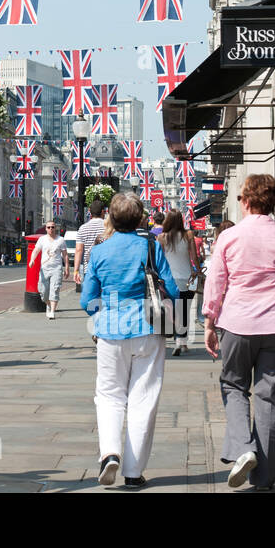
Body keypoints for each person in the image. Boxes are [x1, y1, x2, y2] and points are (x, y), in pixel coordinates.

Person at [203, 176, 275, 491]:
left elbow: (216, 283)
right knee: (268, 399)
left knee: (234, 385)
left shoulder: (229, 237)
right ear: (273, 202)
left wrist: (210, 322)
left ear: (246, 201)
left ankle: (243, 448)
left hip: (237, 323)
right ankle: (263, 478)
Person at [81, 193, 178, 489]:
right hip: (148, 327)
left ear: (111, 217)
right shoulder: (150, 246)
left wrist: (102, 313)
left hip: (110, 331)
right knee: (143, 399)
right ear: (139, 219)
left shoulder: (99, 251)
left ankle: (110, 453)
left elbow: (88, 300)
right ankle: (133, 472)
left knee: (109, 395)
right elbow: (171, 287)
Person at [158, 211, 201, 356]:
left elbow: (160, 259)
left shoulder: (162, 237)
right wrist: (199, 270)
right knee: (185, 310)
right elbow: (194, 257)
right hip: (187, 279)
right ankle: (182, 342)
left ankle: (176, 339)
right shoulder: (188, 235)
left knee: (173, 311)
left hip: (170, 279)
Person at [30, 220, 69, 319]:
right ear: (46, 229)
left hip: (57, 269)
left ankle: (52, 311)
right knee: (43, 292)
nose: (51, 229)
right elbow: (36, 250)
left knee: (55, 290)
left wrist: (67, 268)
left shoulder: (60, 240)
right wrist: (32, 260)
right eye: (48, 227)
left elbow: (65, 255)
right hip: (44, 269)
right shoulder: (42, 239)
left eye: (52, 227)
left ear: (55, 228)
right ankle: (48, 304)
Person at [72, 199, 107, 284]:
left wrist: (76, 271)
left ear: (90, 212)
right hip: (105, 268)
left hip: (89, 269)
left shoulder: (83, 228)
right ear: (103, 211)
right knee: (108, 296)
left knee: (90, 296)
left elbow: (79, 250)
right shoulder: (108, 227)